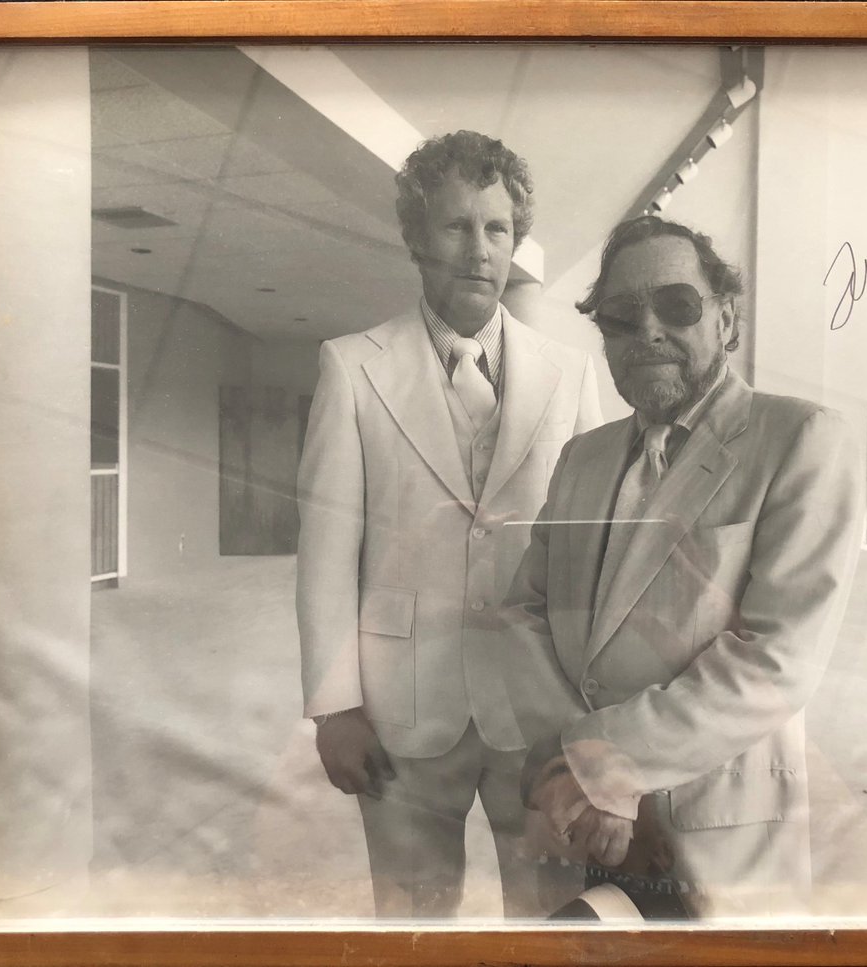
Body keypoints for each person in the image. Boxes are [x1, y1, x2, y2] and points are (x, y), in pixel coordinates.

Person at [500, 214, 861, 918]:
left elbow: (777, 659)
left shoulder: (802, 440)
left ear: (727, 318)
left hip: (711, 831)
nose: (648, 331)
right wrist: (569, 773)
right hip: (574, 824)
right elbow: (522, 612)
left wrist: (601, 767)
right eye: (621, 316)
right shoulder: (582, 458)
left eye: (677, 304)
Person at [296, 130, 601, 917]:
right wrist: (335, 705)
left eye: (496, 229)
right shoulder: (351, 366)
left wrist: (596, 708)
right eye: (456, 226)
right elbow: (328, 550)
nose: (478, 250)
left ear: (516, 242)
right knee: (411, 925)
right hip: (401, 709)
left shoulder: (571, 374)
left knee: (549, 919)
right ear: (415, 238)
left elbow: (591, 550)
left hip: (538, 707)